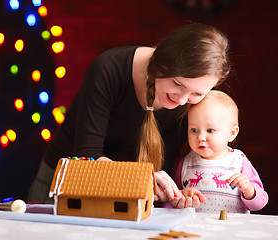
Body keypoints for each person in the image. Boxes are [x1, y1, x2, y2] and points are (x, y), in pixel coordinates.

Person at [28, 23, 230, 206]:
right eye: (177, 84)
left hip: (136, 196)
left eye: (197, 93)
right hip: (67, 188)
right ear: (160, 60)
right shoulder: (108, 69)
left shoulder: (194, 99)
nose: (182, 100)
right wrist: (141, 178)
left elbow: (166, 166)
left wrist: (175, 194)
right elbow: (87, 156)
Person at [170, 90, 268, 212]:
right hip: (195, 228)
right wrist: (178, 199)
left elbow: (260, 204)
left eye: (210, 130)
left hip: (230, 228)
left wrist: (249, 189)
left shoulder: (238, 161)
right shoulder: (186, 163)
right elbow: (172, 198)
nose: (200, 137)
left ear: (232, 133)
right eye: (194, 130)